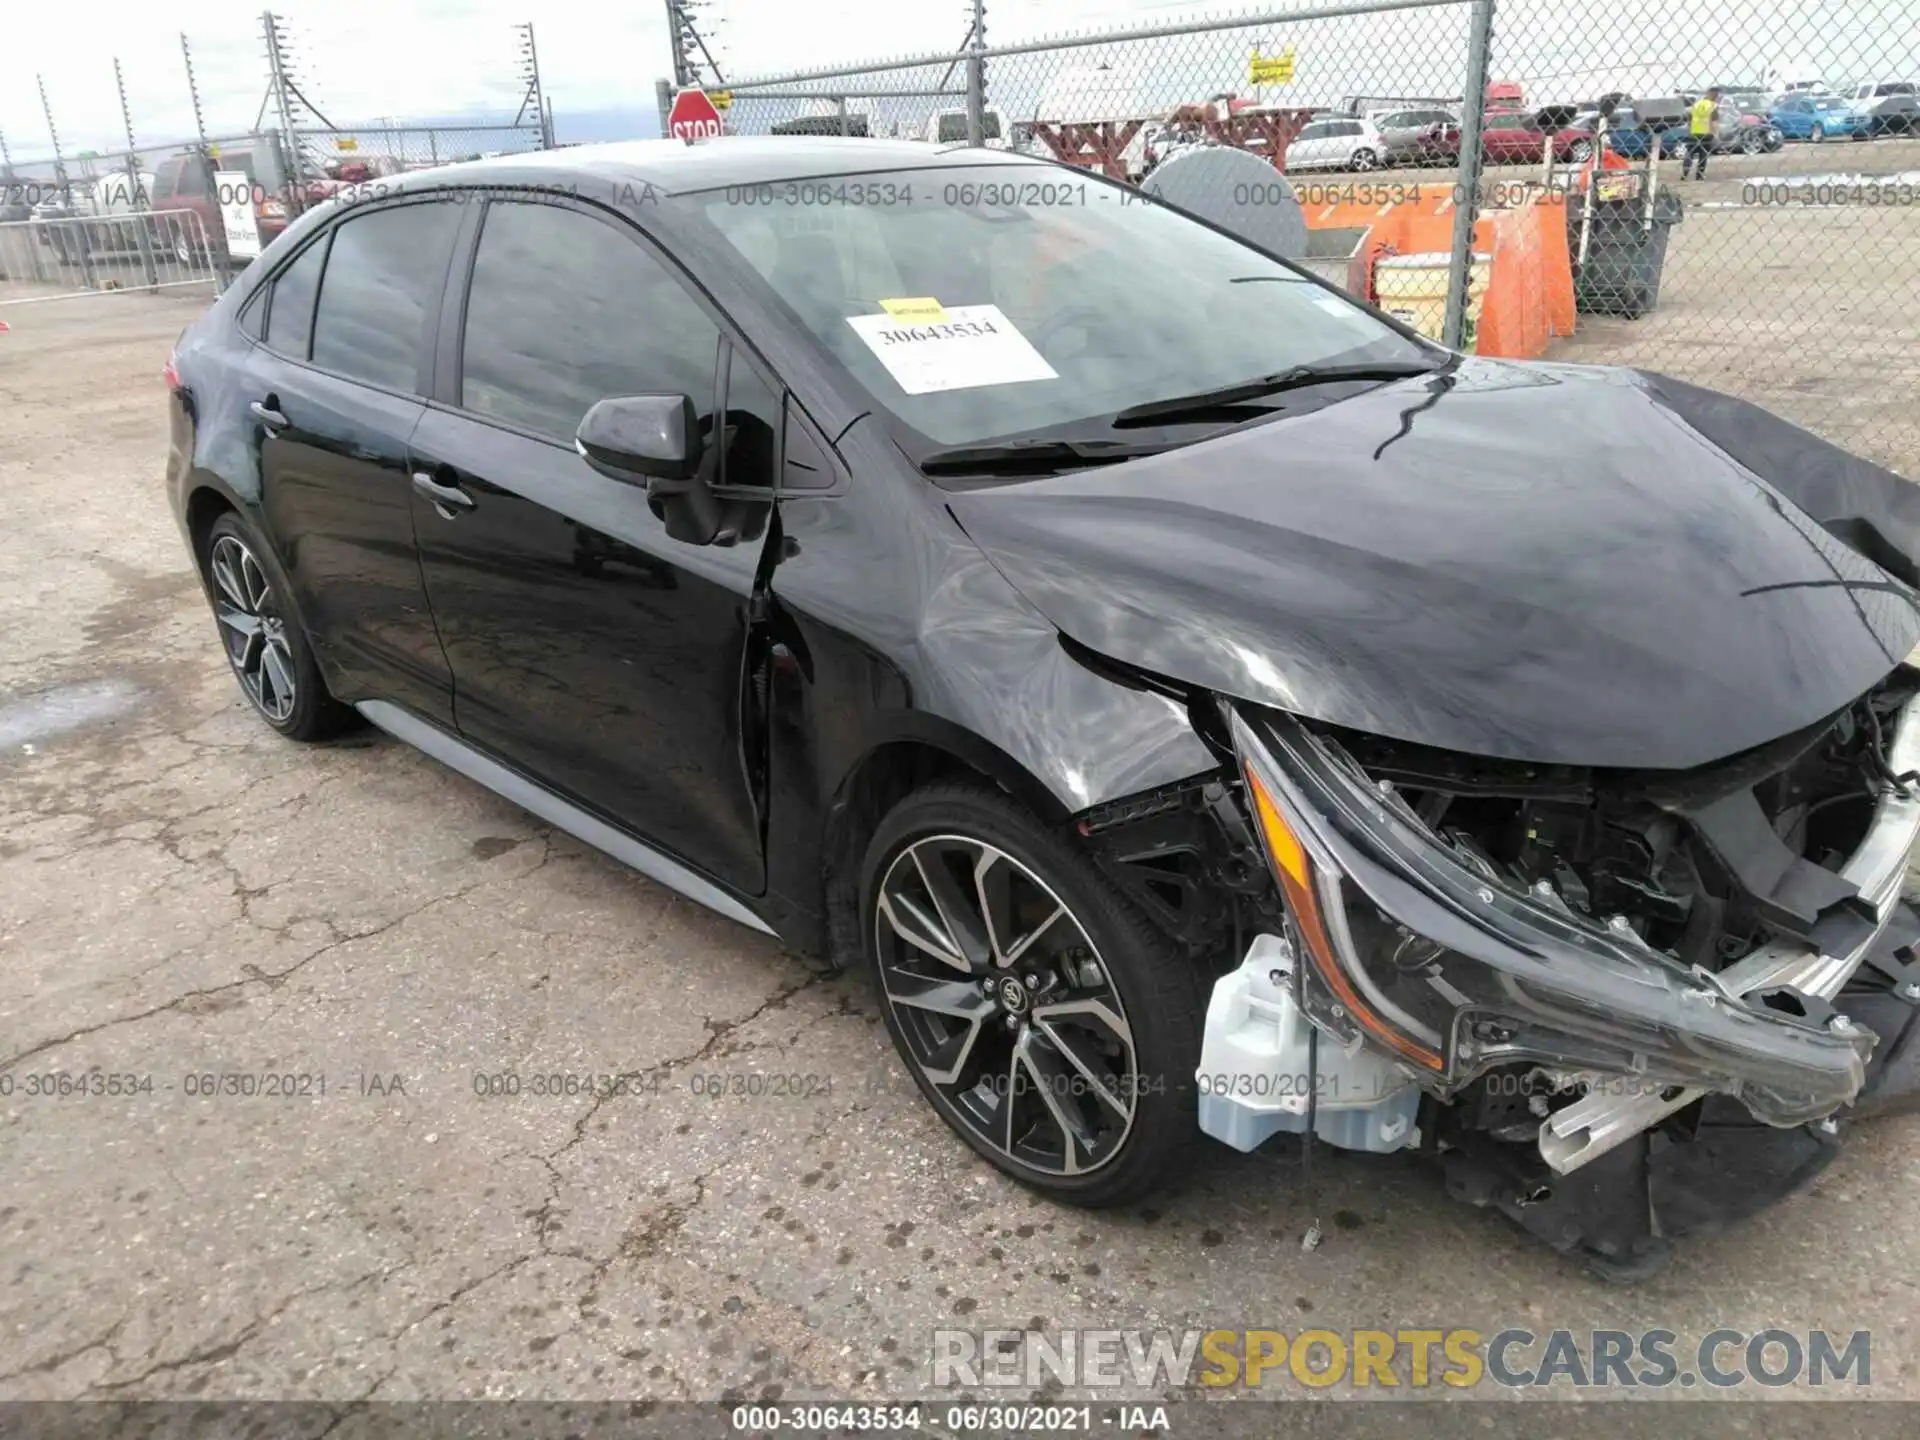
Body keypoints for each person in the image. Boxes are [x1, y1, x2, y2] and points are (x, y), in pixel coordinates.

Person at [1684, 87, 1719, 180]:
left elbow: (1689, 119)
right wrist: (1716, 134)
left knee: (1689, 153)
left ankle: (1685, 173)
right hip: (1706, 134)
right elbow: (1714, 121)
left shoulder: (1696, 104)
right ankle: (1699, 175)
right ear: (1714, 96)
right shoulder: (1713, 106)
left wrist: (1690, 129)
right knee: (1703, 154)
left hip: (1694, 132)